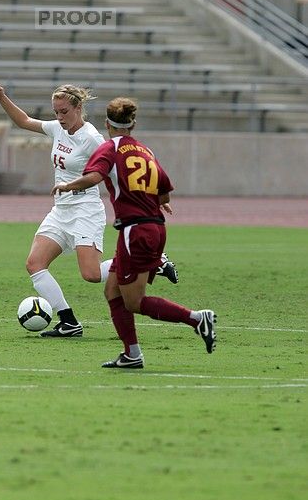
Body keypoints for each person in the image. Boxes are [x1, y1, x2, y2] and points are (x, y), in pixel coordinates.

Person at [0, 84, 179, 339]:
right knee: (35, 264)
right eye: (56, 112)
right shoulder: (57, 129)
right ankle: (68, 321)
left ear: (79, 108)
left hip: (85, 209)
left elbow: (119, 169)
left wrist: (154, 195)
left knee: (90, 274)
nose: (59, 117)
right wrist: (2, 98)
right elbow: (23, 121)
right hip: (61, 210)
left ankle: (153, 262)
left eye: (64, 111)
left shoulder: (92, 139)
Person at [51, 96, 216, 367]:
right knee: (112, 291)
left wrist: (69, 186)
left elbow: (95, 176)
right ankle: (132, 354)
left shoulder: (109, 149)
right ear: (133, 124)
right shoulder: (144, 150)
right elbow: (164, 192)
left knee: (134, 302)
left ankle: (197, 319)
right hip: (152, 226)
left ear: (106, 123)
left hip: (135, 230)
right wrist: (158, 203)